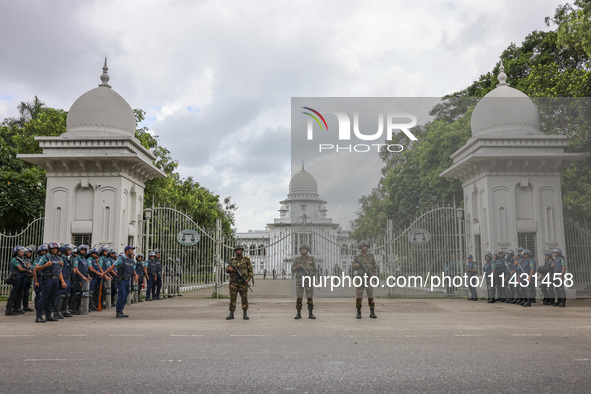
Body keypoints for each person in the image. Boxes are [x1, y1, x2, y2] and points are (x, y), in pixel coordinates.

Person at [34, 242, 67, 323]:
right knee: (43, 298)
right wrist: (46, 265)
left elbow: (59, 271)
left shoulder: (58, 259)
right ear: (50, 249)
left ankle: (48, 315)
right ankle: (39, 316)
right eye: (53, 249)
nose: (55, 250)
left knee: (51, 298)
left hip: (55, 280)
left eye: (56, 249)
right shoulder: (45, 257)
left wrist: (62, 281)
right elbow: (36, 268)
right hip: (47, 279)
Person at [103, 246, 139, 318]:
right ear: (126, 251)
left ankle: (121, 311)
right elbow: (112, 267)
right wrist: (103, 273)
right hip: (121, 280)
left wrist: (135, 275)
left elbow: (132, 269)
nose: (132, 252)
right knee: (122, 295)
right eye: (131, 250)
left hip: (127, 280)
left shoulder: (131, 261)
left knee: (125, 296)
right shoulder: (121, 259)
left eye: (132, 250)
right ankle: (118, 311)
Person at [226, 245, 253, 320]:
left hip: (243, 282)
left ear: (242, 251)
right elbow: (227, 269)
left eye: (240, 250)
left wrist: (247, 279)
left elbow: (251, 272)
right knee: (232, 298)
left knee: (244, 298)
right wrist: (230, 269)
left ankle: (245, 314)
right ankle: (231, 314)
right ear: (235, 251)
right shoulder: (232, 260)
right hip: (233, 282)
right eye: (237, 250)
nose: (239, 251)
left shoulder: (246, 260)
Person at [292, 243, 318, 319]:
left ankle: (310, 313)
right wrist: (297, 267)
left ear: (307, 250)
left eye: (305, 249)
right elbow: (292, 269)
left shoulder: (311, 259)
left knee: (309, 297)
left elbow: (315, 270)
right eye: (302, 249)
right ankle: (298, 313)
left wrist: (315, 278)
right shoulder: (297, 260)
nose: (303, 250)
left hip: (308, 280)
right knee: (299, 297)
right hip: (300, 280)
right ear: (300, 250)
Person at [352, 241, 378, 319]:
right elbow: (352, 268)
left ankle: (372, 312)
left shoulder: (371, 257)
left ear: (367, 247)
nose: (364, 247)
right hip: (360, 278)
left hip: (368, 279)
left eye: (365, 246)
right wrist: (355, 266)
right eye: (363, 246)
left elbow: (375, 267)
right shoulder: (357, 257)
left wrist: (373, 276)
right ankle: (358, 312)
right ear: (360, 247)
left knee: (370, 295)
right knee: (359, 295)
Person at [5, 246, 31, 316]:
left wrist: (28, 269)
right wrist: (28, 270)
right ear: (17, 252)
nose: (22, 253)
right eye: (21, 252)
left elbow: (26, 266)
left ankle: (17, 307)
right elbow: (20, 268)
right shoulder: (15, 260)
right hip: (17, 278)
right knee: (14, 292)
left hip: (22, 278)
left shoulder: (21, 259)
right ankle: (8, 309)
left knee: (20, 293)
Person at [54, 243, 74, 318]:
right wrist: (62, 281)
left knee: (67, 295)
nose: (70, 251)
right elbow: (59, 271)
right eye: (68, 250)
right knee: (61, 295)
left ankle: (64, 310)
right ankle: (57, 312)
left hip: (68, 279)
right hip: (63, 279)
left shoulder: (67, 259)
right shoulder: (61, 259)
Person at [71, 245, 91, 315]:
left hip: (84, 278)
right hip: (78, 278)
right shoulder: (77, 258)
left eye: (84, 250)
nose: (83, 251)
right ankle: (73, 309)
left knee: (82, 294)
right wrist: (82, 276)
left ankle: (79, 307)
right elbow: (76, 269)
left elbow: (85, 269)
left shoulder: (84, 259)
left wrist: (88, 276)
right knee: (77, 294)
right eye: (82, 250)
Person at [19, 246, 35, 312]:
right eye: (28, 252)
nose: (29, 254)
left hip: (29, 277)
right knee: (21, 292)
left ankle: (26, 306)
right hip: (23, 277)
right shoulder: (23, 260)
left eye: (30, 252)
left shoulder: (30, 260)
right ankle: (18, 306)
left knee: (26, 292)